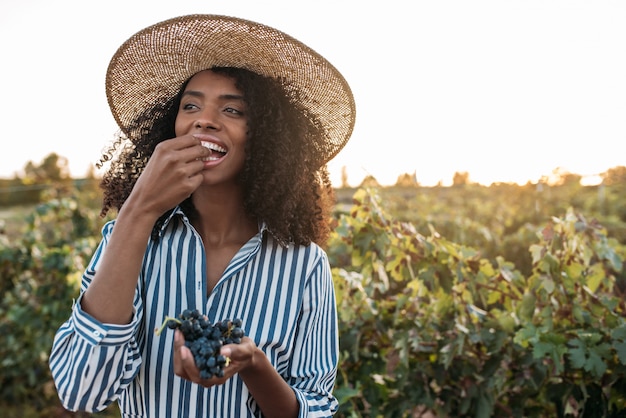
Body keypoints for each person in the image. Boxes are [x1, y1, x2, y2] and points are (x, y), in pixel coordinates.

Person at [48, 14, 355, 418]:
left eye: (233, 110)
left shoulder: (304, 265)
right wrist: (139, 209)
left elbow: (317, 408)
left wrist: (256, 367)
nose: (203, 119)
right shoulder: (127, 241)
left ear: (267, 137)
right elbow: (79, 393)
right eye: (190, 105)